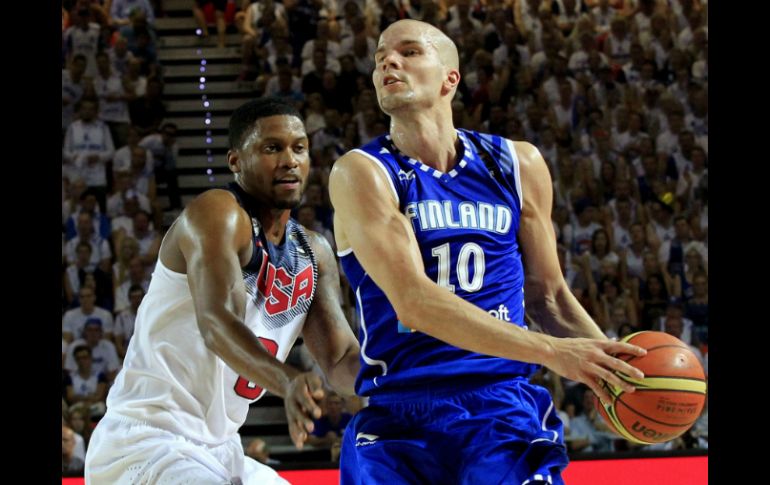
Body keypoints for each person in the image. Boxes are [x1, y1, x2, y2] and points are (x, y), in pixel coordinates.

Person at [328, 20, 647, 485]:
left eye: (409, 52)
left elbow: (549, 297)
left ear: (449, 79)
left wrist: (614, 374)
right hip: (402, 414)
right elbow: (414, 303)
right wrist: (552, 352)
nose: (387, 62)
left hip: (500, 403)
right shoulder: (363, 171)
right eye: (380, 57)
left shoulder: (517, 164)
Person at [85, 97, 360, 484]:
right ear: (235, 162)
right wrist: (288, 381)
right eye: (271, 148)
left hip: (221, 449)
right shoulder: (217, 212)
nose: (289, 159)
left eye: (299, 147)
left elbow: (342, 359)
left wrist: (408, 373)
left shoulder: (314, 253)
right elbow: (216, 324)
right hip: (146, 441)